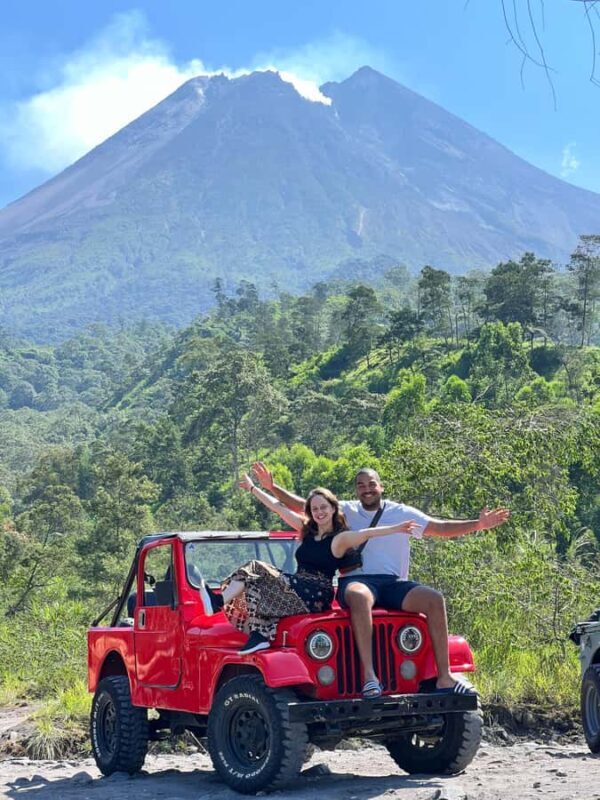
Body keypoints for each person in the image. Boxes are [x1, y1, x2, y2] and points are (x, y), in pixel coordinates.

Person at [251, 462, 510, 697]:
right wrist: (273, 487)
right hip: (358, 581)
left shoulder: (401, 512)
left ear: (381, 486)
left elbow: (440, 528)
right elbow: (305, 507)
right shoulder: (346, 511)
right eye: (361, 485)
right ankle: (369, 677)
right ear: (356, 490)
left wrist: (478, 525)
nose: (367, 489)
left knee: (434, 599)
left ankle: (445, 677)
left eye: (371, 484)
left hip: (393, 582)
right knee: (359, 596)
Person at [199, 474, 419, 656]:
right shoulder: (307, 531)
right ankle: (261, 635)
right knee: (255, 585)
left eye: (323, 507)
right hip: (297, 585)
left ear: (333, 509)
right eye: (314, 509)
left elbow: (366, 533)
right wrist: (253, 489)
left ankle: (218, 601)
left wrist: (396, 528)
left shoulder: (339, 538)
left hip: (316, 593)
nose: (319, 512)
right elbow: (278, 508)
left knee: (256, 568)